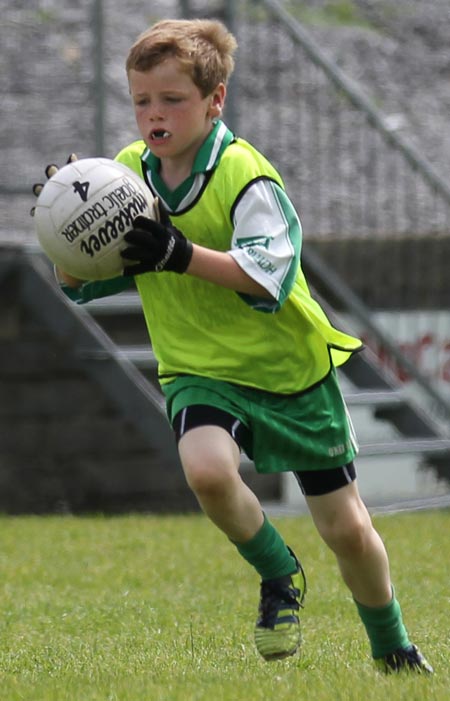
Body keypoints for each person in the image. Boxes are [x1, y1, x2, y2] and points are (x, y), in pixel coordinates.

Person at [32, 18, 433, 673]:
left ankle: (392, 645)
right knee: (210, 471)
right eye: (141, 102)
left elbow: (263, 275)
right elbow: (79, 283)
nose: (153, 115)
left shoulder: (245, 174)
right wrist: (63, 233)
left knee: (349, 530)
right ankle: (279, 573)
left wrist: (178, 252)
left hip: (289, 372)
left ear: (215, 101)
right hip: (199, 369)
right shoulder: (126, 177)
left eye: (172, 100)